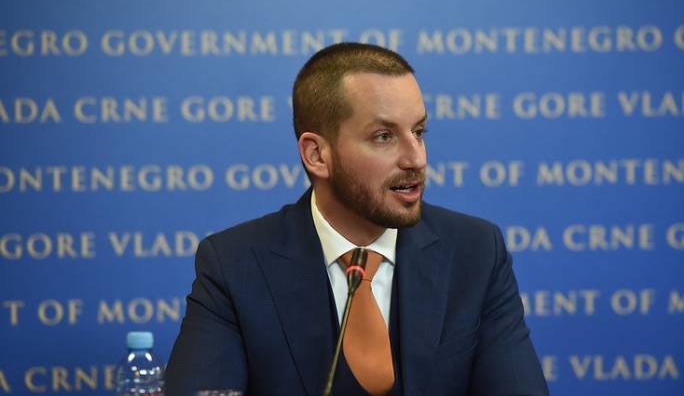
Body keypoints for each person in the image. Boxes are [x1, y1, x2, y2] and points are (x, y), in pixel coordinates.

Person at [165, 42, 549, 396]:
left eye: (418, 131)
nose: (416, 158)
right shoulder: (235, 266)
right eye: (384, 136)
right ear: (317, 155)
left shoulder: (475, 253)